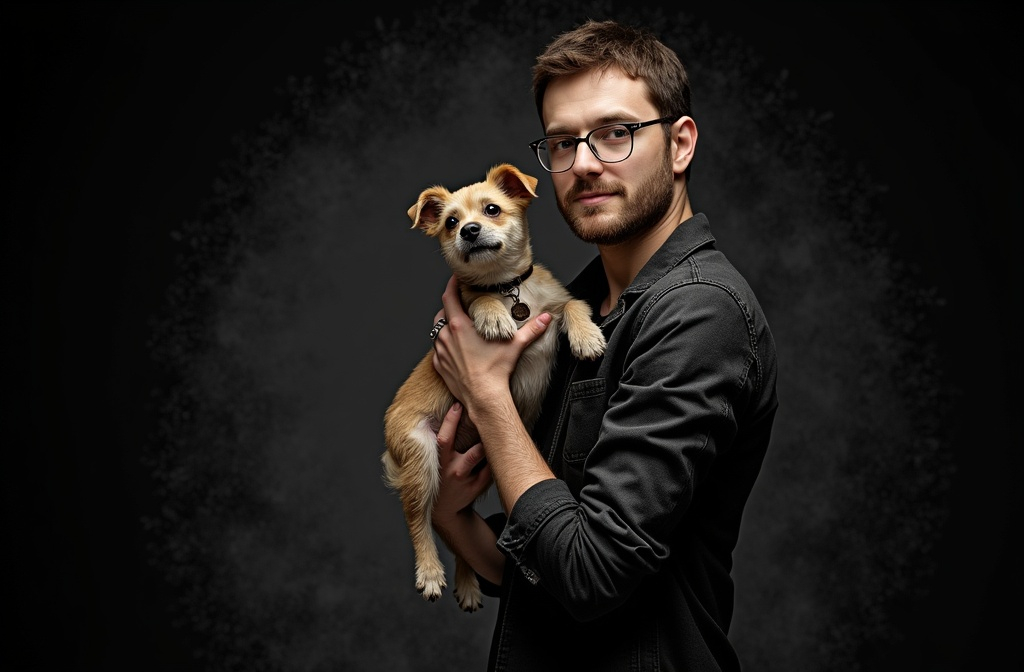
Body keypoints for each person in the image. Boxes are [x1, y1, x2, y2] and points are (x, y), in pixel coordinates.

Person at [428, 18, 779, 672]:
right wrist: (454, 518)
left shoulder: (700, 313)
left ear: (680, 145)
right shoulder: (573, 311)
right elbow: (545, 566)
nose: (584, 163)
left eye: (616, 133)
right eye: (562, 143)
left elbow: (592, 575)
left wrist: (488, 395)